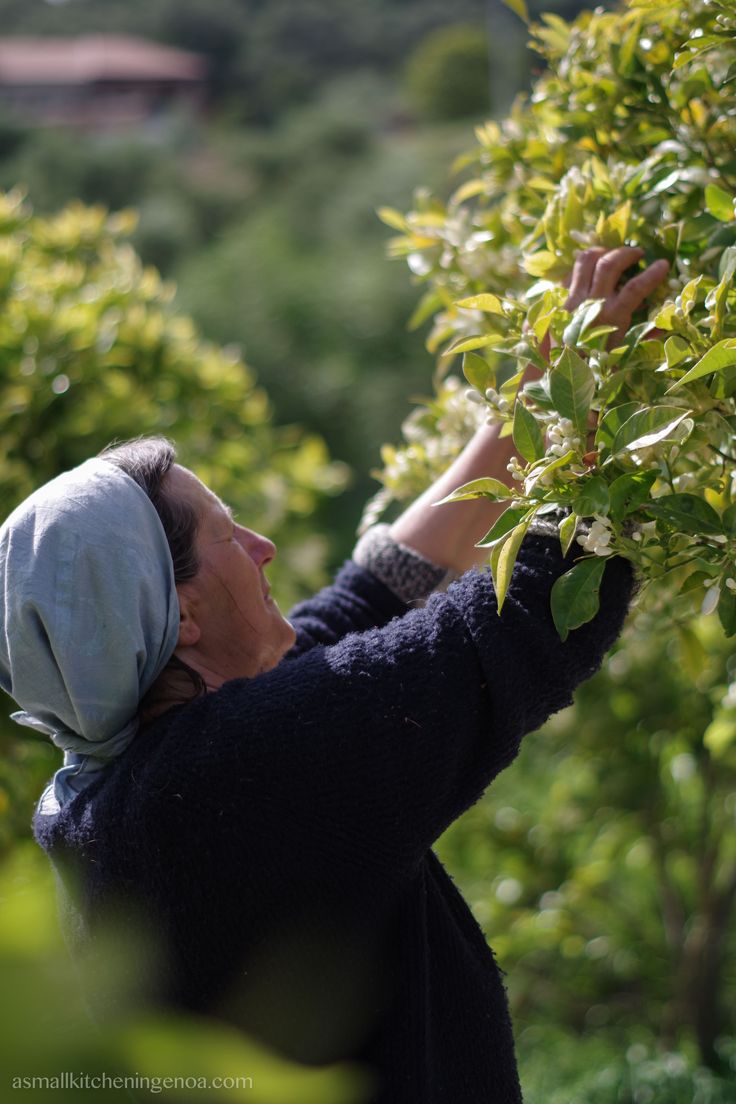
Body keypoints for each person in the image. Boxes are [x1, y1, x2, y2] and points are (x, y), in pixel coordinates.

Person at [1, 247, 668, 1103]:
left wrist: (527, 406)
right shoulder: (233, 779)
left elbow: (370, 600)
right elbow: (536, 618)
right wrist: (596, 402)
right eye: (229, 535)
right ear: (182, 614)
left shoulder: (124, 777)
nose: (264, 548)